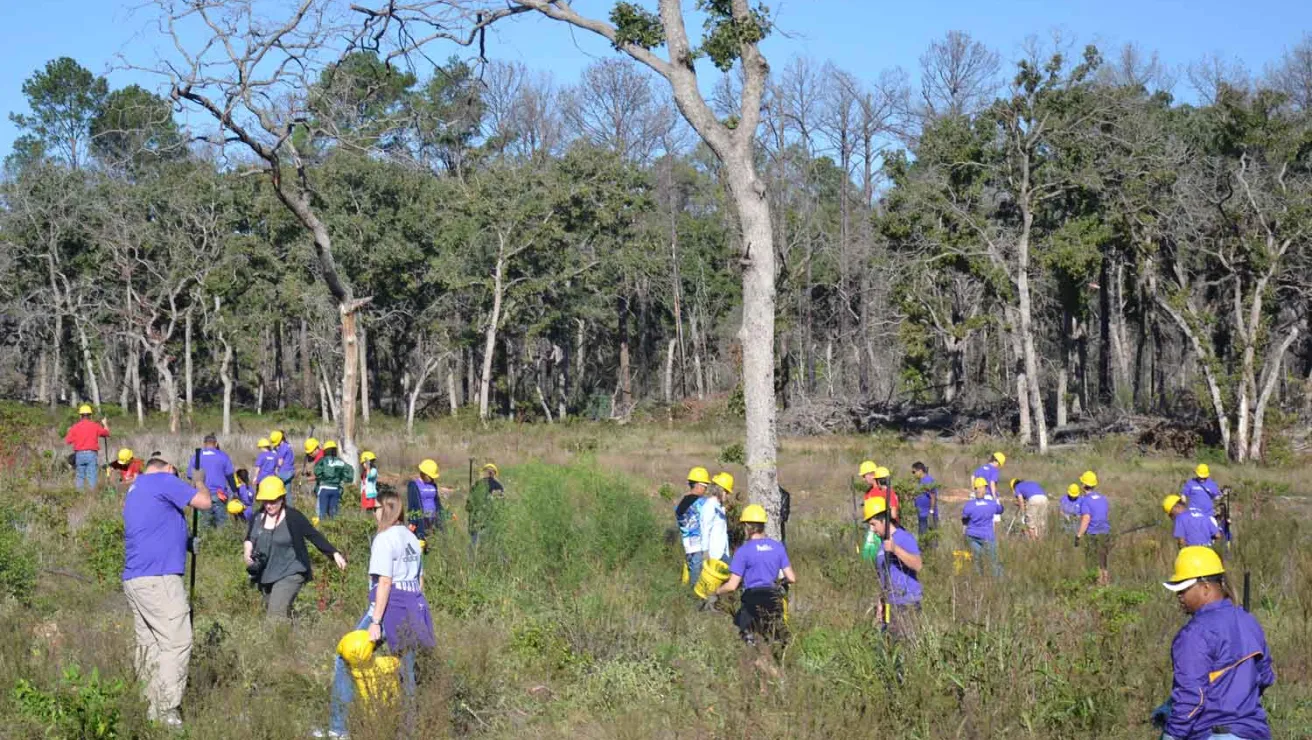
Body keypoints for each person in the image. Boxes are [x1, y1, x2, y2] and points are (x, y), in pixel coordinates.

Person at [325, 488, 435, 739]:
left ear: (385, 510)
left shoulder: (384, 539)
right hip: (412, 607)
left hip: (386, 609)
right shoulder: (410, 536)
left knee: (346, 655)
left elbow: (384, 582)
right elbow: (420, 580)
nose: (373, 513)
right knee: (406, 672)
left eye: (375, 508)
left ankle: (338, 729)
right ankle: (408, 730)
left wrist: (376, 621)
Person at [121, 457, 211, 728]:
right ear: (169, 468)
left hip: (136, 578)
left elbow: (155, 528)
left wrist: (184, 542)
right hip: (159, 578)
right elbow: (204, 502)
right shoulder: (163, 480)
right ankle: (166, 711)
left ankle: (148, 705)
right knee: (177, 641)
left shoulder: (136, 489)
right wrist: (198, 480)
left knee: (150, 644)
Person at [1153, 547, 1274, 740]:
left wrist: (1171, 735)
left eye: (1183, 589)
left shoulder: (1193, 634)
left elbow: (1192, 697)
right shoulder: (1248, 620)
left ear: (1206, 587)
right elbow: (1265, 677)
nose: (1179, 596)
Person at [244, 477, 347, 621]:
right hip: (266, 572)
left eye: (273, 501)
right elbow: (250, 538)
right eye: (265, 501)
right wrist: (247, 554)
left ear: (282, 498)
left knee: (275, 615)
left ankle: (275, 642)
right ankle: (296, 637)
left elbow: (313, 535)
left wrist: (334, 553)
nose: (268, 505)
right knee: (277, 609)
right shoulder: (257, 517)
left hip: (291, 571)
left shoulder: (293, 517)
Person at [713, 505, 796, 648]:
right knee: (776, 641)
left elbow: (732, 585)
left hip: (752, 600)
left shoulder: (743, 551)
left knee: (748, 638)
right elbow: (792, 578)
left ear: (747, 526)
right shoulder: (777, 547)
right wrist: (780, 583)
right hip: (773, 599)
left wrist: (717, 592)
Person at [863, 496, 922, 639]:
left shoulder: (903, 538)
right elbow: (882, 577)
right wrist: (880, 604)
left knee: (907, 646)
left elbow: (918, 565)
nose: (872, 529)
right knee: (890, 645)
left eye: (874, 524)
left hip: (907, 603)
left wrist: (895, 550)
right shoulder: (882, 544)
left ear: (884, 520)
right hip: (890, 604)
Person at [187, 435, 238, 529]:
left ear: (204, 444)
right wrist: (235, 491)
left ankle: (205, 542)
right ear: (216, 444)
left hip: (202, 495)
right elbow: (230, 476)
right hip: (220, 495)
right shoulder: (223, 456)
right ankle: (221, 542)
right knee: (222, 525)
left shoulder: (196, 457)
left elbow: (190, 476)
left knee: (204, 525)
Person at [674, 467, 711, 587]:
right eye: (705, 486)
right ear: (698, 485)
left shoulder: (683, 501)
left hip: (688, 543)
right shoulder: (700, 503)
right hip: (698, 544)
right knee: (696, 571)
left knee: (691, 567)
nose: (706, 489)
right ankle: (693, 594)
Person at [1075, 471, 1112, 585]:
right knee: (1103, 560)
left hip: (1093, 534)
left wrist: (1079, 535)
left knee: (1093, 561)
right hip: (1105, 532)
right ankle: (1105, 583)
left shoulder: (1085, 500)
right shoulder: (1103, 498)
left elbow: (1086, 519)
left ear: (1083, 485)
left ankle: (1096, 585)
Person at [962, 477, 1004, 576]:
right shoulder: (991, 504)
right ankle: (998, 581)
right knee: (993, 560)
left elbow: (964, 520)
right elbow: (1001, 510)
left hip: (972, 536)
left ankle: (979, 579)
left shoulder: (969, 505)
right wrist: (997, 500)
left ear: (975, 489)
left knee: (977, 560)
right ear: (985, 489)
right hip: (987, 536)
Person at [64, 405, 110, 490]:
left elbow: (68, 441)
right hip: (91, 454)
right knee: (91, 476)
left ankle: (79, 496)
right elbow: (107, 433)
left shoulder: (75, 427)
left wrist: (70, 431)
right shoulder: (95, 425)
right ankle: (92, 496)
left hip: (79, 455)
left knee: (80, 477)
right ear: (90, 415)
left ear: (80, 415)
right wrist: (105, 424)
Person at [466, 462, 506, 552]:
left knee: (473, 551)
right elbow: (502, 508)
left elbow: (468, 507)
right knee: (495, 549)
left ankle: (472, 565)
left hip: (476, 524)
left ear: (484, 472)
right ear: (495, 474)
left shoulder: (476, 485)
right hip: (492, 524)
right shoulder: (499, 487)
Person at [313, 441, 354, 520]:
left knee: (322, 512)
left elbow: (317, 472)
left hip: (324, 489)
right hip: (336, 489)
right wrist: (342, 478)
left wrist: (322, 478)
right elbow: (350, 470)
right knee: (334, 513)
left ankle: (322, 528)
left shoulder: (323, 460)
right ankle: (334, 528)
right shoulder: (340, 461)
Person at [701, 472, 732, 570]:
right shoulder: (710, 506)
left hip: (721, 551)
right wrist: (705, 552)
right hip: (714, 553)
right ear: (719, 490)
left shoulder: (719, 506)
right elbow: (705, 529)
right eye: (726, 492)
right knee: (735, 572)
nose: (727, 495)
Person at [407, 459, 443, 540]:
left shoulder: (433, 485)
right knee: (421, 543)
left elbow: (437, 502)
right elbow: (412, 505)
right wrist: (412, 522)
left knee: (435, 542)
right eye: (430, 476)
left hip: (434, 519)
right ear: (424, 473)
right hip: (422, 520)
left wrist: (444, 514)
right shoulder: (414, 485)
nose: (432, 478)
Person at [911, 462, 938, 537]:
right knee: (922, 537)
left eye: (914, 472)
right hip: (921, 514)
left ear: (920, 471)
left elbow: (933, 496)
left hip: (927, 515)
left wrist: (931, 511)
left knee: (929, 537)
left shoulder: (928, 481)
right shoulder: (920, 481)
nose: (913, 474)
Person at [271, 430, 296, 503]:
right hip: (290, 471)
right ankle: (289, 509)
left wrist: (276, 469)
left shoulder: (283, 448)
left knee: (275, 489)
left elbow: (280, 462)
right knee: (287, 493)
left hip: (284, 472)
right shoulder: (287, 445)